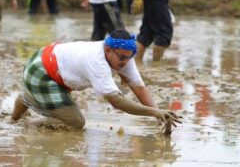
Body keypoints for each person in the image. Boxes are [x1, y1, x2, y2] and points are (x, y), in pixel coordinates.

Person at [11, 29, 181, 130]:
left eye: (129, 58)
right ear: (108, 50)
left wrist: (160, 115)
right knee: (75, 123)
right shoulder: (97, 60)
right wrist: (154, 112)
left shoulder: (124, 55)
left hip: (48, 61)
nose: (125, 62)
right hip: (41, 71)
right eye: (122, 57)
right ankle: (27, 124)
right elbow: (117, 102)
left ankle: (21, 106)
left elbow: (139, 89)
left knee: (67, 113)